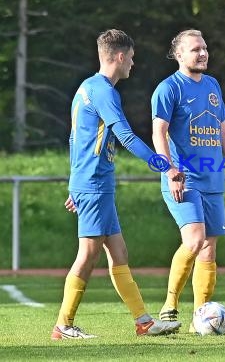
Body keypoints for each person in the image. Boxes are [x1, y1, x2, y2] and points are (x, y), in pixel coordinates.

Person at [52, 29, 182, 340]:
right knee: (88, 255)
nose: (133, 64)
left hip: (94, 183)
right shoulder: (103, 91)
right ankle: (63, 324)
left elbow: (74, 139)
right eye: (132, 58)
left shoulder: (86, 88)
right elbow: (125, 136)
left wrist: (75, 184)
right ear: (120, 56)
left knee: (119, 253)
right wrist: (164, 166)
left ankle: (144, 322)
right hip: (94, 183)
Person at [151, 29, 225, 332]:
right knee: (194, 241)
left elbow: (222, 129)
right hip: (184, 177)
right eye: (195, 49)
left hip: (213, 179)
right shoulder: (168, 88)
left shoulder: (212, 85)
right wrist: (170, 171)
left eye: (205, 48)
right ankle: (169, 305)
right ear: (179, 55)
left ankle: (199, 318)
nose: (203, 53)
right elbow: (159, 132)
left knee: (209, 248)